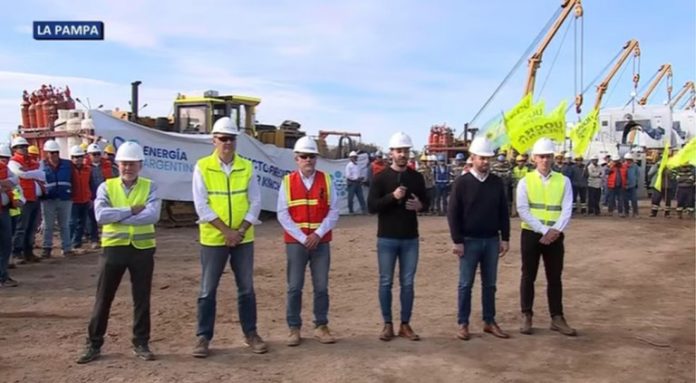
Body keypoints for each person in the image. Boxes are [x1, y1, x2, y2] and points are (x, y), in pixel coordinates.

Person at [77, 141, 161, 364]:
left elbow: (152, 216)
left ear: (140, 165)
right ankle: (93, 343)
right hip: (114, 249)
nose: (128, 168)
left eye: (133, 164)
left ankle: (141, 342)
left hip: (142, 249)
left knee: (141, 298)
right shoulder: (106, 187)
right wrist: (130, 210)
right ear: (118, 165)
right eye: (124, 163)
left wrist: (118, 215)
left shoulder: (150, 186)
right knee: (103, 297)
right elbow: (101, 216)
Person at [191, 117, 267, 358]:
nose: (227, 143)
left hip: (243, 239)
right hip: (214, 239)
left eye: (231, 138)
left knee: (246, 288)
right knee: (207, 290)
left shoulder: (247, 166)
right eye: (223, 138)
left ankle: (251, 333)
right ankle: (203, 337)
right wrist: (227, 232)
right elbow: (201, 205)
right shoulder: (202, 166)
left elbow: (255, 201)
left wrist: (240, 231)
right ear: (214, 140)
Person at [277, 137, 340, 346]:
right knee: (294, 286)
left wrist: (317, 234)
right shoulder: (287, 182)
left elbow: (334, 211)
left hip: (320, 242)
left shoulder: (327, 180)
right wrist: (304, 237)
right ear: (296, 158)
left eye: (311, 156)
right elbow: (282, 214)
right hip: (297, 242)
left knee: (321, 286)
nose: (308, 160)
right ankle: (294, 328)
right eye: (304, 156)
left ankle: (321, 325)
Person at [367, 132, 429, 342]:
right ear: (391, 152)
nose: (402, 154)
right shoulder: (381, 178)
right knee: (386, 282)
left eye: (405, 151)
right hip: (387, 238)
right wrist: (392, 197)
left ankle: (405, 324)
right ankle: (387, 324)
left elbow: (427, 202)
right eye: (399, 151)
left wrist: (420, 206)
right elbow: (372, 206)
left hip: (410, 238)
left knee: (408, 283)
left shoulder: (416, 177)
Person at [447, 137, 510, 341]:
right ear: (472, 158)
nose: (485, 162)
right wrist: (457, 240)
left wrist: (505, 237)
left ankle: (489, 321)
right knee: (465, 284)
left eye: (487, 158)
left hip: (492, 240)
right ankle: (463, 323)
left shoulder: (496, 182)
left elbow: (503, 211)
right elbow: (453, 213)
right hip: (469, 241)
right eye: (481, 158)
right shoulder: (461, 183)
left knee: (490, 284)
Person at [516, 138, 576, 337]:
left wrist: (555, 231)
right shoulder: (525, 182)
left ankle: (557, 317)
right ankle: (527, 315)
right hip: (532, 234)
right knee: (528, 276)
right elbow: (523, 210)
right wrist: (544, 230)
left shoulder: (563, 181)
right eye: (541, 156)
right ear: (534, 158)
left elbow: (567, 209)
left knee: (554, 277)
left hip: (555, 236)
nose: (545, 160)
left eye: (548, 156)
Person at [9, 137, 46, 264]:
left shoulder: (31, 161)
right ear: (14, 149)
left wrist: (30, 172)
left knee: (32, 227)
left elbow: (43, 174)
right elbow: (21, 175)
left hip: (35, 198)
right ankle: (17, 253)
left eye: (25, 146)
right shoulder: (13, 162)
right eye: (21, 146)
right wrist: (34, 173)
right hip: (24, 199)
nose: (24, 148)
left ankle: (28, 251)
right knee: (21, 227)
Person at [40, 140, 74, 258]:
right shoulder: (41, 165)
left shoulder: (67, 164)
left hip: (65, 198)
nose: (54, 155)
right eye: (51, 153)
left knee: (64, 225)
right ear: (46, 153)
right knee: (48, 225)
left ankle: (67, 248)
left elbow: (75, 178)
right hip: (48, 200)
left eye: (56, 152)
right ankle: (46, 248)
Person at [85, 143, 116, 249]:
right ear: (89, 155)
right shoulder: (86, 168)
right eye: (94, 154)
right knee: (92, 219)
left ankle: (109, 238)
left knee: (107, 217)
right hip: (92, 196)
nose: (96, 156)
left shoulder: (107, 166)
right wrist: (89, 197)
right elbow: (85, 184)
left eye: (98, 154)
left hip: (106, 195)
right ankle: (94, 239)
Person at [0, 149, 19, 287]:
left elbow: (15, 180)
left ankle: (3, 275)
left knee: (6, 244)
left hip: (5, 210)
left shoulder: (3, 168)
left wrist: (4, 183)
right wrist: (3, 184)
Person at [69, 145, 93, 251]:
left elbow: (90, 184)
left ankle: (76, 244)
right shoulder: (69, 170)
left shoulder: (88, 169)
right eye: (76, 157)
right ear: (72, 158)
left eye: (80, 157)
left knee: (81, 223)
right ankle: (68, 243)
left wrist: (90, 197)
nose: (78, 159)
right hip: (73, 200)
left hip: (85, 200)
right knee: (72, 223)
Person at [623, 153, 640, 217]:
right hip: (624, 186)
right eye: (627, 159)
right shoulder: (623, 166)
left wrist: (635, 182)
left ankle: (635, 213)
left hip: (632, 185)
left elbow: (637, 175)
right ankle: (626, 212)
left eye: (629, 160)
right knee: (625, 200)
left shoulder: (635, 166)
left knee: (634, 200)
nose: (628, 161)